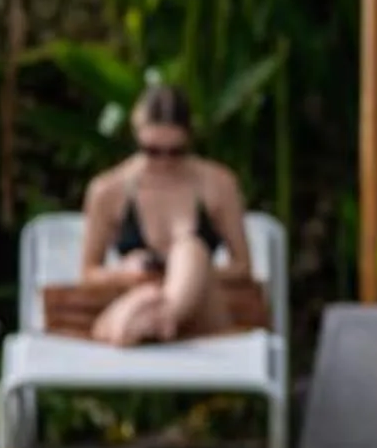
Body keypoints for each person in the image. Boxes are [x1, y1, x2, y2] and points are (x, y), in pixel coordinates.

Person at [77, 84, 252, 347]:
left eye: (175, 152)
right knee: (146, 295)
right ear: (136, 137)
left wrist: (188, 275)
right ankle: (153, 314)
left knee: (190, 249)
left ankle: (162, 316)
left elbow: (243, 268)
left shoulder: (217, 184)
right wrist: (127, 273)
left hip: (203, 315)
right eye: (152, 151)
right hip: (136, 298)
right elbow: (88, 272)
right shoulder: (108, 190)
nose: (164, 162)